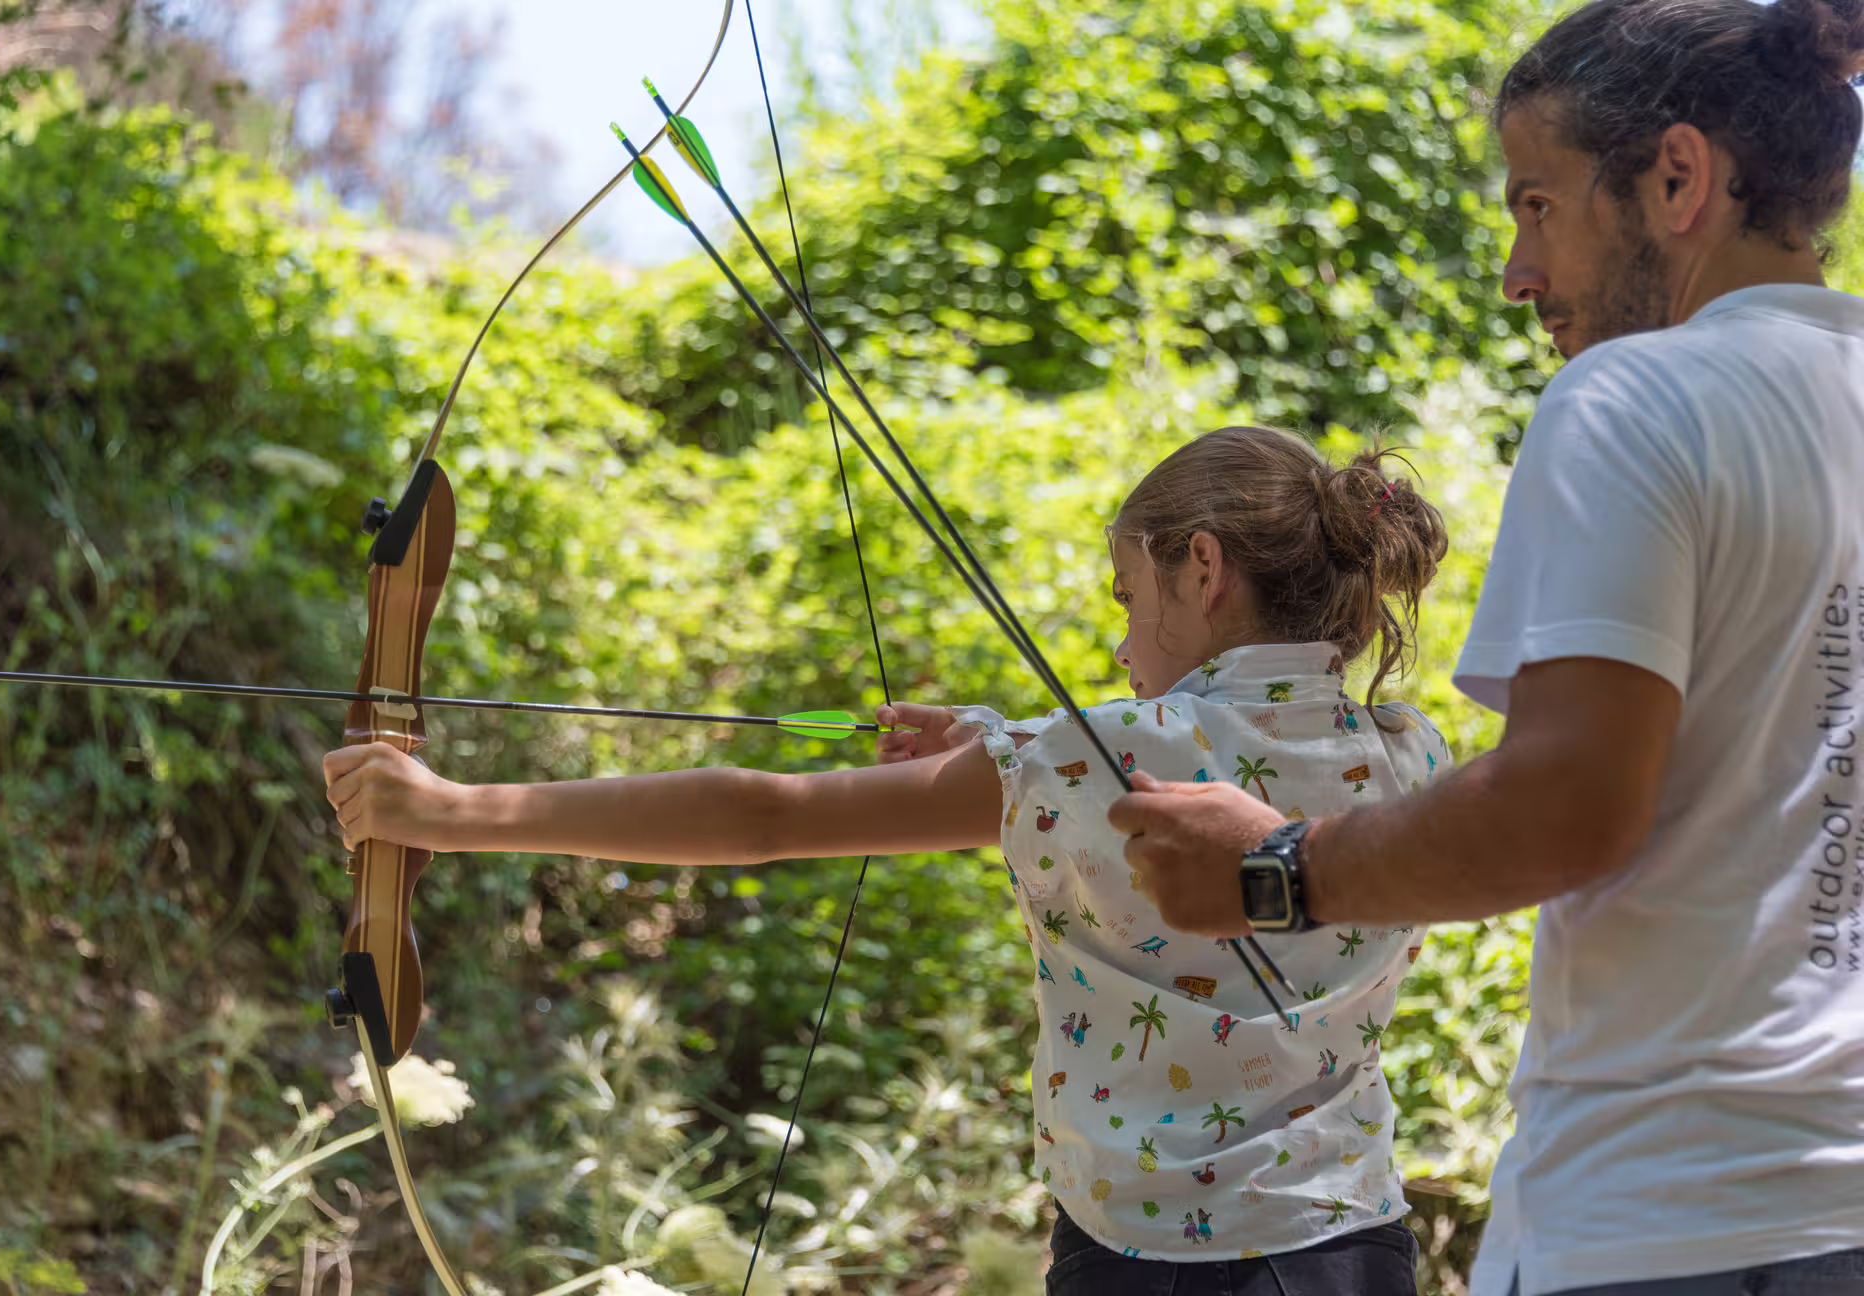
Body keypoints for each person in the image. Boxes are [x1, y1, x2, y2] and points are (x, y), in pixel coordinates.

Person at [1096, 1, 1864, 1293]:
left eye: (1537, 205)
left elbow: (1568, 805)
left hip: (1662, 1220)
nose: (1518, 272)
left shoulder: (1635, 398)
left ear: (1677, 179)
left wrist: (1276, 869)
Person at [322, 426, 1452, 1293]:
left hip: (1154, 1268)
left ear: (1202, 568)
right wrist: (1002, 749)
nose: (1120, 644)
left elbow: (764, 817)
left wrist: (448, 809)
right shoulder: (1412, 757)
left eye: (1128, 596)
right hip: (1359, 1248)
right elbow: (1210, 760)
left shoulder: (1093, 760)